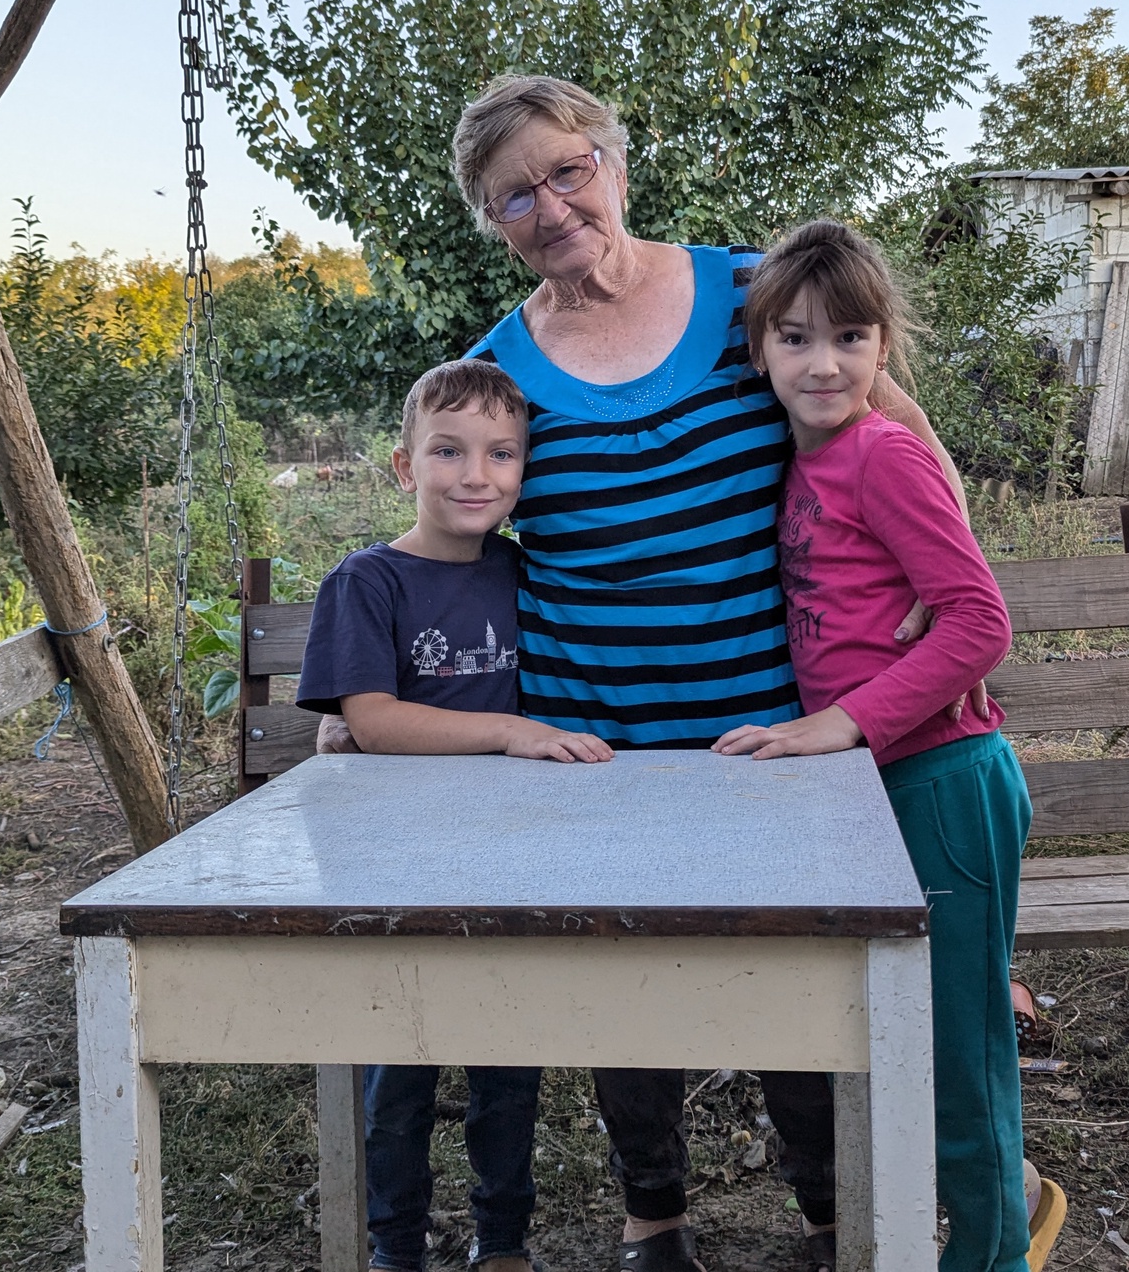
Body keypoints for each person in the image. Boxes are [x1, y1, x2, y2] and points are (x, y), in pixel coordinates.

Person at [323, 73, 984, 1272]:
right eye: (511, 195)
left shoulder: (755, 296)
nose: (550, 204)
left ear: (615, 161)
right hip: (595, 733)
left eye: (565, 169)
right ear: (491, 221)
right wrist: (367, 693)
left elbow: (890, 426)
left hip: (767, 727)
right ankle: (652, 1218)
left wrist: (944, 610)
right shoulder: (502, 368)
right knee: (623, 988)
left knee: (794, 979)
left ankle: (832, 1214)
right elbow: (447, 540)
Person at [712, 219, 1040, 1272]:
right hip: (882, 788)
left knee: (959, 1053)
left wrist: (842, 720)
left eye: (849, 337)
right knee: (906, 1038)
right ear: (757, 348)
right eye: (795, 338)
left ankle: (990, 1252)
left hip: (944, 780)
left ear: (883, 348)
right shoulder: (806, 455)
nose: (822, 362)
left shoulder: (883, 453)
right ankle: (983, 1215)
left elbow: (979, 622)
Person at [296, 358, 613, 1272]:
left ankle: (502, 1241)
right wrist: (511, 730)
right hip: (396, 866)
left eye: (501, 455)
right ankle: (395, 1246)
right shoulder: (366, 583)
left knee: (509, 1068)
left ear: (524, 472)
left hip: (510, 860)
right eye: (449, 451)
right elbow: (372, 721)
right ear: (404, 467)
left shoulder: (523, 571)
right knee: (398, 1072)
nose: (476, 475)